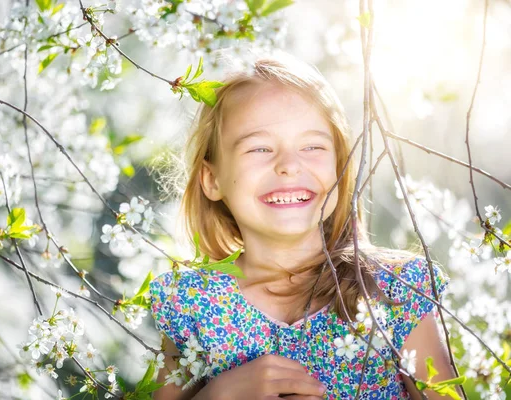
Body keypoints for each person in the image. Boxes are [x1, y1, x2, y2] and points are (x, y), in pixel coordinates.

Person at [148, 51, 461, 399]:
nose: (289, 166)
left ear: (340, 168)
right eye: (259, 149)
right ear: (212, 178)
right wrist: (217, 395)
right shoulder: (192, 304)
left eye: (312, 146)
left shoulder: (393, 291)